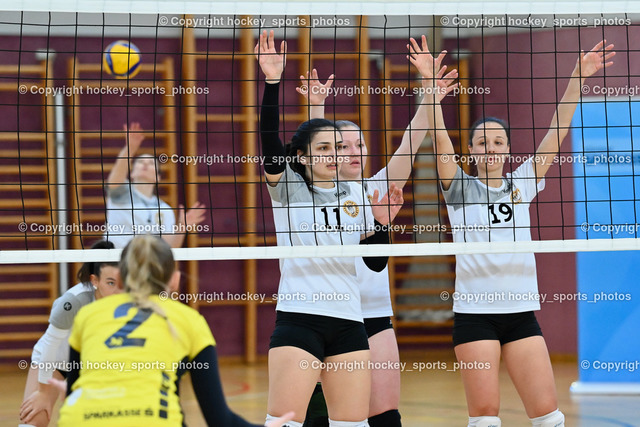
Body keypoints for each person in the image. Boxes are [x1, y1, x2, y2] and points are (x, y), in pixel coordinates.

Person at [410, 35, 614, 427]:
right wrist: (430, 92)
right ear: (470, 151)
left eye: (498, 141)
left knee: (549, 417)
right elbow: (439, 141)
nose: (490, 148)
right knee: (485, 418)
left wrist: (578, 77)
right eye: (482, 142)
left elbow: (558, 127)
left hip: (520, 312)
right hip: (475, 315)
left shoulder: (523, 182)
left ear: (507, 149)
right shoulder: (459, 187)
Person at [255, 30, 404, 427]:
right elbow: (269, 144)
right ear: (302, 157)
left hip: (349, 325)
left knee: (352, 425)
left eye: (339, 147)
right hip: (300, 319)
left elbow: (373, 264)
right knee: (285, 423)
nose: (335, 154)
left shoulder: (356, 194)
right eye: (324, 148)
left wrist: (381, 225)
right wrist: (273, 83)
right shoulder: (287, 189)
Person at [296, 65, 458, 427]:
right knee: (325, 418)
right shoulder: (310, 194)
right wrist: (316, 106)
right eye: (341, 146)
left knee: (385, 418)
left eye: (359, 144)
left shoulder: (378, 188)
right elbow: (310, 145)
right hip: (325, 317)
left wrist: (429, 96)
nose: (352, 151)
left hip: (373, 316)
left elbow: (411, 142)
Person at [56, 235, 294, 427]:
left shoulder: (87, 315)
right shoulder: (189, 321)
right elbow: (219, 420)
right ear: (174, 280)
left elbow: (73, 388)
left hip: (77, 419)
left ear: (119, 280)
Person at [19, 240, 120, 427]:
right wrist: (42, 392)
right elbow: (50, 343)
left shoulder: (126, 301)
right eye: (110, 283)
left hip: (91, 365)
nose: (117, 290)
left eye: (120, 282)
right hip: (54, 361)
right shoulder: (73, 302)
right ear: (95, 281)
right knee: (33, 420)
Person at [105, 122, 205, 248]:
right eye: (141, 162)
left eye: (151, 163)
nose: (146, 164)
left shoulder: (164, 210)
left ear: (158, 177)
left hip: (147, 264)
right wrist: (130, 148)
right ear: (132, 173)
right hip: (117, 262)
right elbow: (116, 177)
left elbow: (170, 250)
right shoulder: (120, 193)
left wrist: (182, 228)